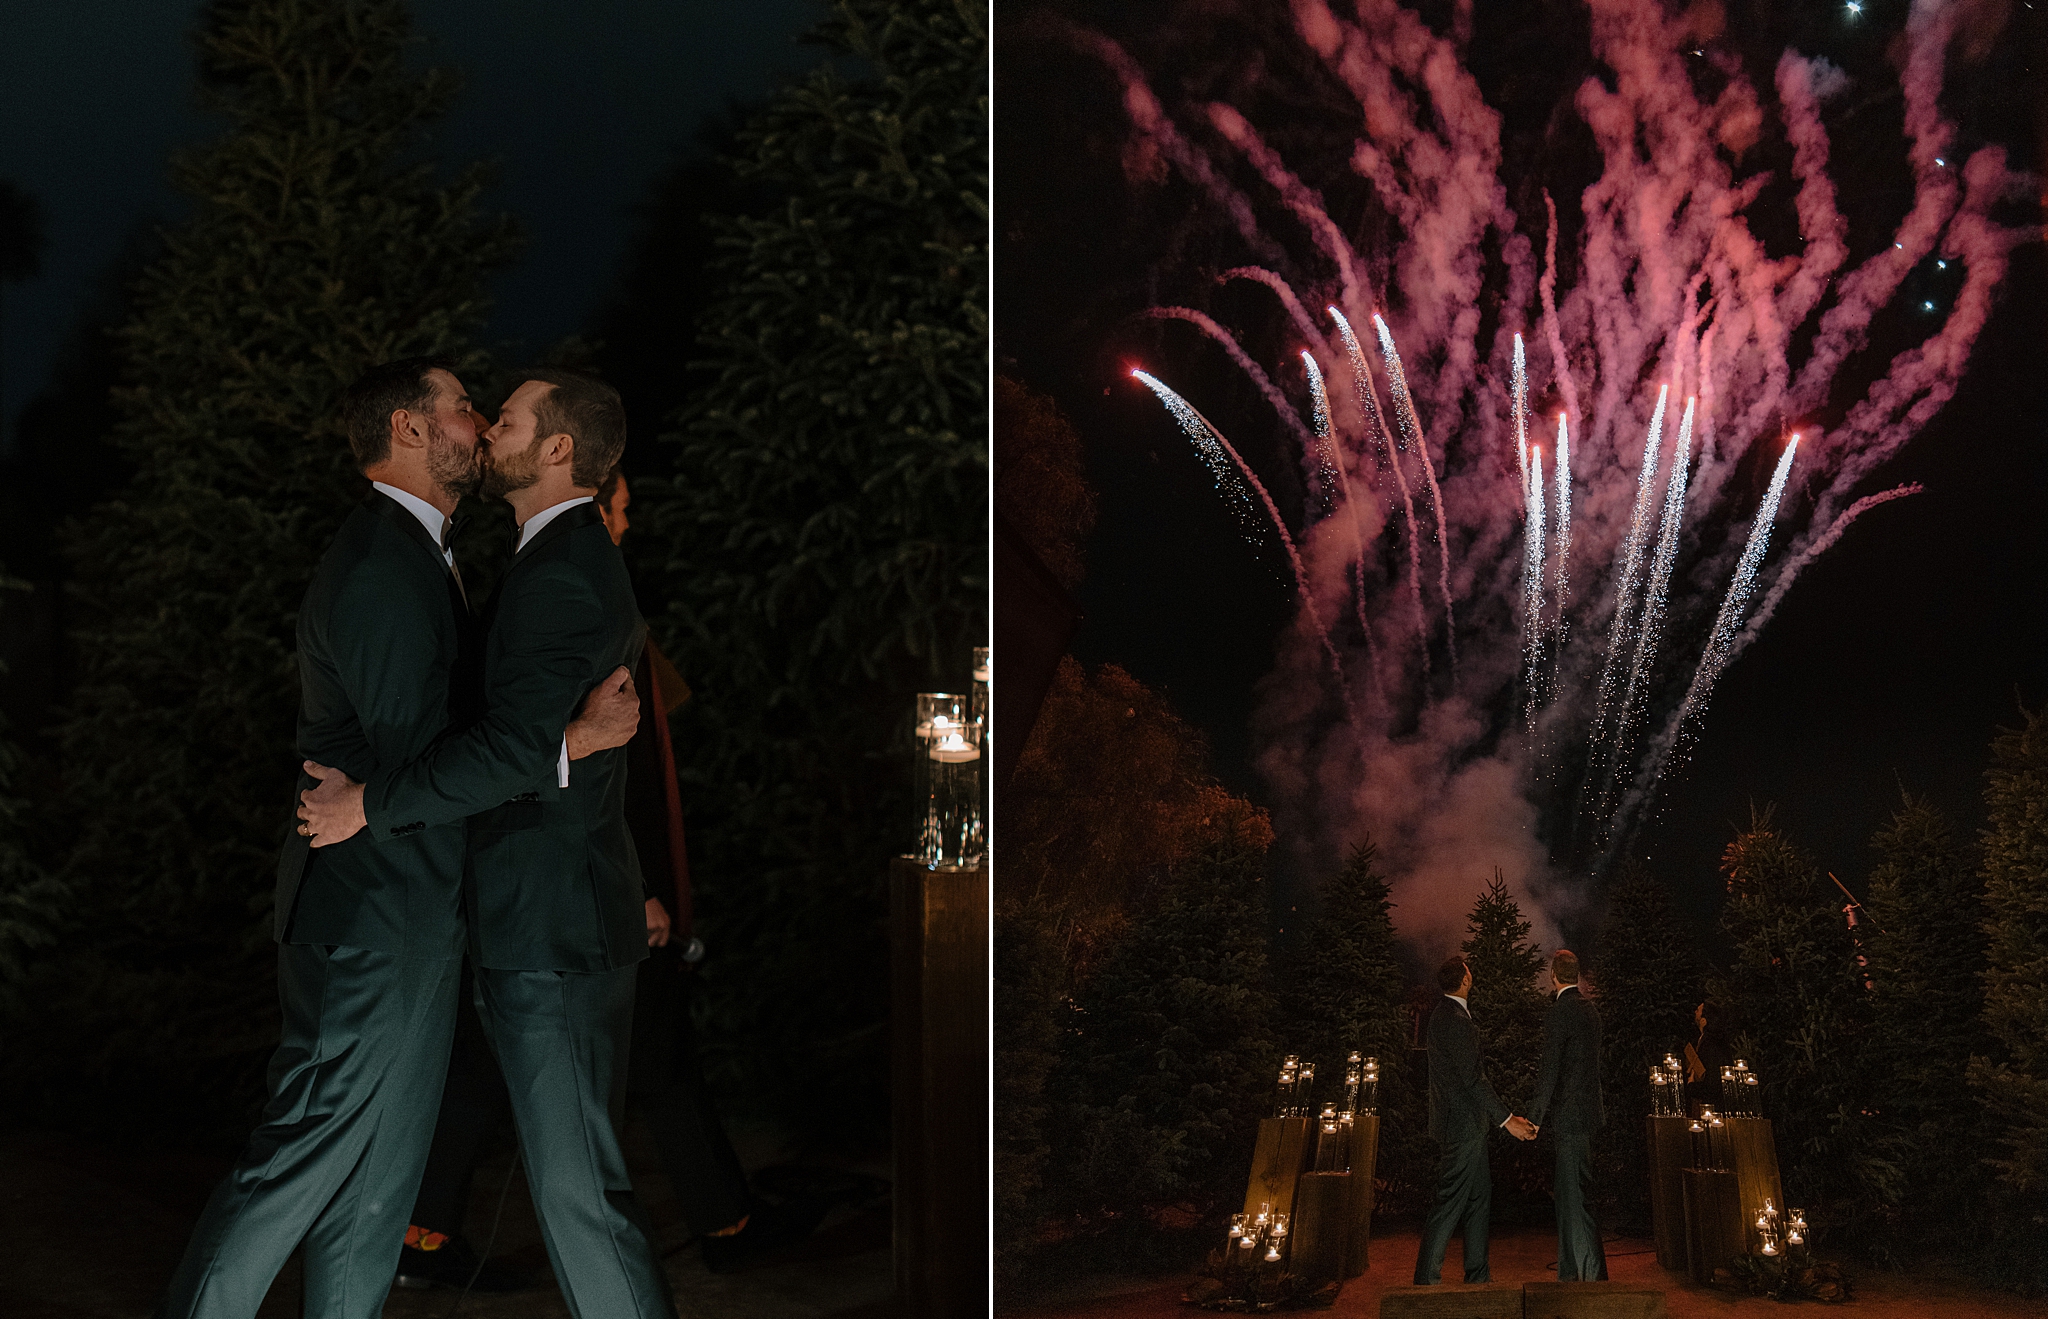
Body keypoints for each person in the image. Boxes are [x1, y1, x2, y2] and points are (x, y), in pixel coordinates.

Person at [150, 359, 637, 1319]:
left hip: (414, 915)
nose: (478, 421)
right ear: (411, 431)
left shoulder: (425, 554)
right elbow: (424, 752)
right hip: (368, 912)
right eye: (462, 407)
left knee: (376, 1192)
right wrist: (565, 742)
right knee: (299, 1158)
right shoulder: (381, 565)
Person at [300, 368, 672, 1317]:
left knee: (581, 1199)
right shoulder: (548, 562)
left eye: (503, 418)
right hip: (528, 926)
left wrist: (370, 805)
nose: (485, 429)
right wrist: (572, 741)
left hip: (553, 933)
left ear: (555, 450)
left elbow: (507, 747)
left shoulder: (563, 573)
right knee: (574, 1193)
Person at [1413, 955, 1538, 1286]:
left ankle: (1478, 1277)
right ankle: (1425, 1285)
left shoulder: (1444, 1015)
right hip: (1464, 1126)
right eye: (1470, 971)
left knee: (1479, 1198)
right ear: (1465, 981)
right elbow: (1473, 1080)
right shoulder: (1456, 1020)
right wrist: (1507, 1120)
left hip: (1464, 1125)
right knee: (1449, 1203)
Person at [1526, 950, 1607, 1282]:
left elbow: (1550, 1070)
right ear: (1578, 975)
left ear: (1553, 976)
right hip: (1589, 1116)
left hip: (1570, 1119)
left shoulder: (1559, 1013)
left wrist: (1533, 1117)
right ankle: (1576, 1272)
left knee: (1572, 1200)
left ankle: (1586, 1279)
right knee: (1577, 1195)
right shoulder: (1592, 1013)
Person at [1684, 1000, 1733, 1113]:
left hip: (1713, 1107)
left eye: (1698, 1010)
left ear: (1704, 1020)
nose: (1695, 1012)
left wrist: (1692, 1087)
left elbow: (1713, 1082)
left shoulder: (1711, 1044)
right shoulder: (1707, 1042)